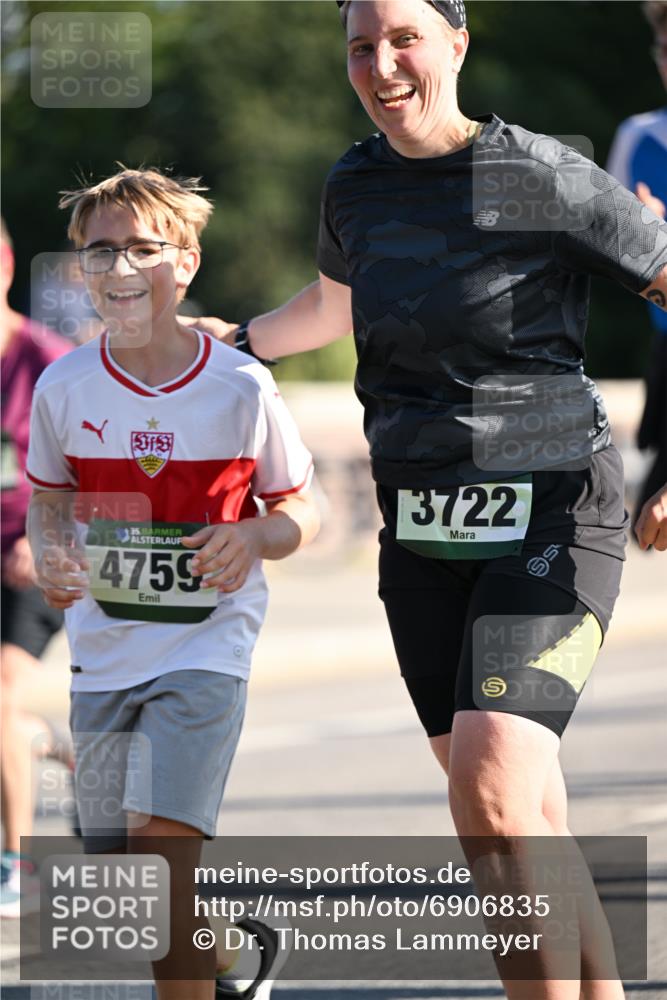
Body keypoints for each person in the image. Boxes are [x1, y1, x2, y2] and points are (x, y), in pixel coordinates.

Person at [194, 2, 667, 997]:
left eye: (403, 38)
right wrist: (232, 344)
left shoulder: (535, 171)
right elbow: (333, 306)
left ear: (456, 42)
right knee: (521, 814)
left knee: (490, 797)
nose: (382, 65)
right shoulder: (354, 182)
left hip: (550, 512)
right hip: (420, 529)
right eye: (360, 47)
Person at [26, 167, 319, 1000]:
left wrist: (253, 534)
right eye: (101, 252)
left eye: (143, 249)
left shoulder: (240, 383)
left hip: (204, 648)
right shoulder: (64, 384)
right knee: (130, 881)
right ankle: (227, 950)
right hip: (103, 654)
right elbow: (50, 500)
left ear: (185, 263)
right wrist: (49, 551)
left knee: (159, 858)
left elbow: (305, 509)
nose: (120, 268)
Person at [0, 217, 73, 918]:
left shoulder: (47, 360)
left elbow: (90, 468)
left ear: (4, 266)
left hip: (31, 560)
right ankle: (47, 745)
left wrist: (41, 531)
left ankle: (15, 863)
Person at [607, 0, 667, 536]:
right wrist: (642, 241)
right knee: (648, 527)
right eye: (666, 51)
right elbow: (609, 255)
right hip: (665, 347)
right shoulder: (637, 136)